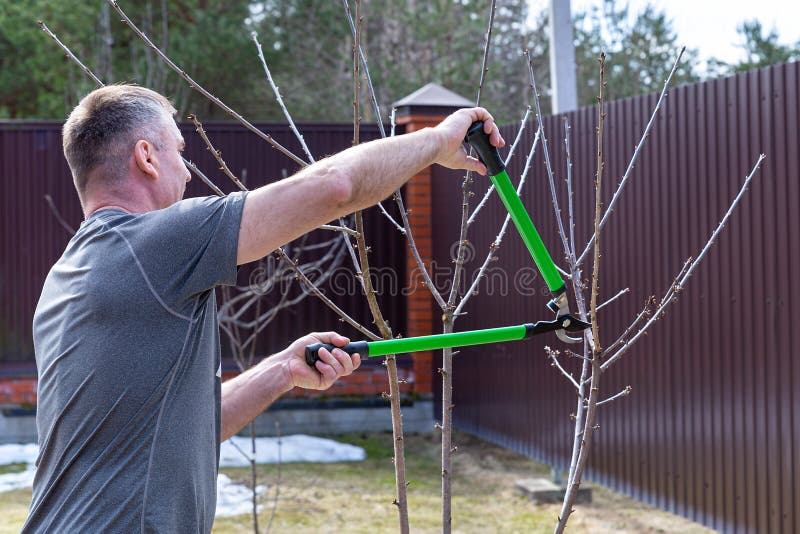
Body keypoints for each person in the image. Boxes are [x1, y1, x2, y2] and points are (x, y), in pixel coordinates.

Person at [23, 84, 504, 533]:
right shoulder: (152, 244)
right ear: (146, 157)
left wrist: (281, 370)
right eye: (180, 152)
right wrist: (437, 141)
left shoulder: (64, 280)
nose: (188, 172)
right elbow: (335, 186)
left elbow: (184, 432)